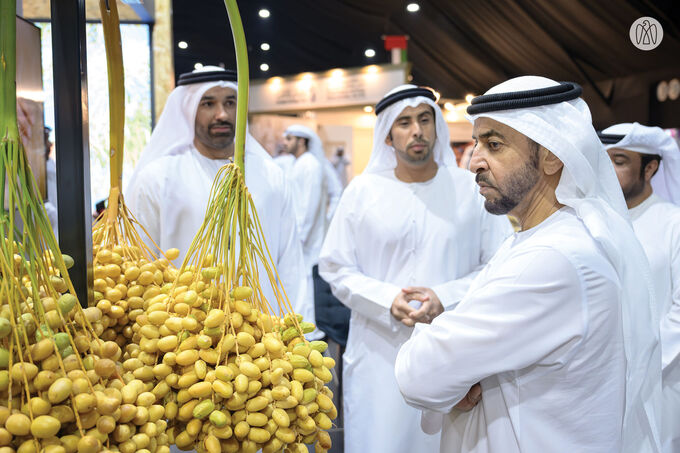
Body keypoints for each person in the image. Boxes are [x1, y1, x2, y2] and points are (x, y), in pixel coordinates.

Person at [395, 76, 662, 453]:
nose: (474, 162)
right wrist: (458, 373)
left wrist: (451, 373)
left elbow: (418, 375)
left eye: (494, 144)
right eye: (476, 143)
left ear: (552, 155)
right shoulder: (538, 239)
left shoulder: (554, 259)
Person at [318, 84, 512, 453]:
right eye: (404, 123)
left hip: (453, 347)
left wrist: (446, 297)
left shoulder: (468, 188)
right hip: (378, 354)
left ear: (436, 126)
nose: (417, 131)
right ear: (388, 136)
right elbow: (336, 267)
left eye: (425, 119)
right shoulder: (363, 191)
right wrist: (387, 299)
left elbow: (498, 263)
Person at [125, 66, 313, 325]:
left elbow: (290, 261)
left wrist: (298, 332)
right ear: (189, 109)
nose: (222, 114)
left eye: (230, 103)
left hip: (263, 342)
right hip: (182, 341)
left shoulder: (271, 176)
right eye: (208, 103)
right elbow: (141, 266)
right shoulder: (158, 178)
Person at [600, 122, 680, 452]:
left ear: (650, 168)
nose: (607, 171)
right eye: (603, 161)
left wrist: (641, 360)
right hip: (600, 376)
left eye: (619, 161)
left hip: (660, 376)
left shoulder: (672, 223)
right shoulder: (596, 221)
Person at [283, 125, 347, 344]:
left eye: (289, 138)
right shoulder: (298, 164)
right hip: (298, 236)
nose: (285, 142)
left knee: (308, 285)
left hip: (306, 239)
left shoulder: (310, 165)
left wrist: (300, 236)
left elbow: (308, 206)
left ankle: (311, 334)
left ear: (302, 141)